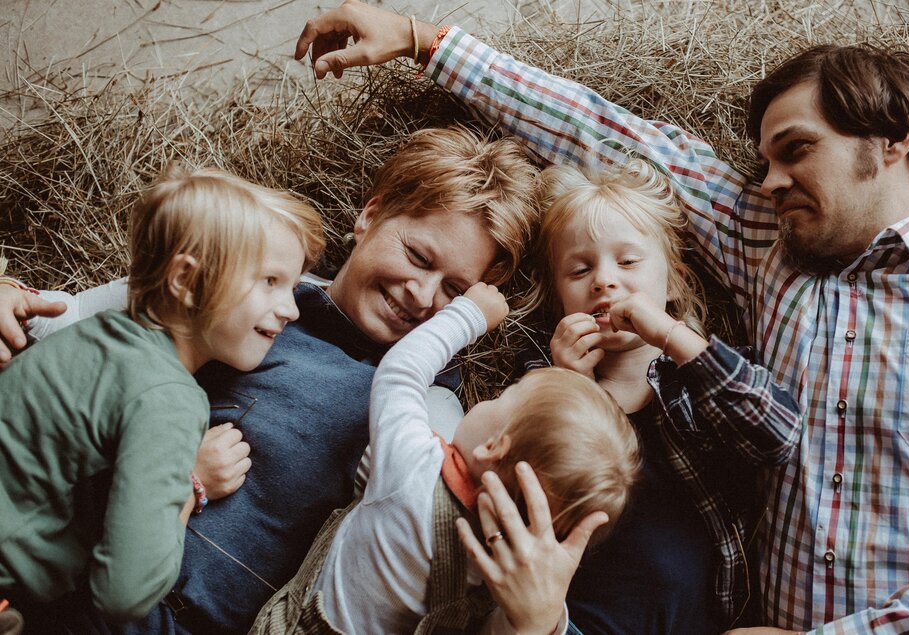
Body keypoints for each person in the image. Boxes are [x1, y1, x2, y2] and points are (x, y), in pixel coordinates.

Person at [294, 4, 909, 632]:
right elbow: (610, 136)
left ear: (894, 137)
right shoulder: (778, 252)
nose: (766, 181)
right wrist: (423, 38)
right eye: (762, 162)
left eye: (795, 149)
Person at [1, 127, 541, 634]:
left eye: (455, 292)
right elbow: (77, 322)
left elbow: (436, 548)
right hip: (77, 575)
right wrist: (10, 296)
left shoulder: (429, 410)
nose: (423, 296)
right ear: (370, 216)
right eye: (418, 256)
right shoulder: (256, 283)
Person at [0, 165, 324, 629]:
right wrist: (189, 490)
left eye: (292, 288)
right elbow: (123, 595)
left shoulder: (96, 337)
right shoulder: (169, 398)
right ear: (185, 281)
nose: (291, 308)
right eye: (270, 281)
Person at [513, 158, 801, 632]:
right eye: (580, 269)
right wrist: (570, 388)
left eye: (627, 262)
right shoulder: (546, 373)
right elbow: (522, 491)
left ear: (674, 282)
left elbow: (778, 435)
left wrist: (673, 336)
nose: (604, 280)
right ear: (559, 297)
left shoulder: (704, 375)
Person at [254, 281, 640, 634]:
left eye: (503, 397)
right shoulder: (501, 579)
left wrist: (468, 314)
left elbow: (400, 374)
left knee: (434, 400)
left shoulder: (413, 468)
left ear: (493, 448)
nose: (489, 399)